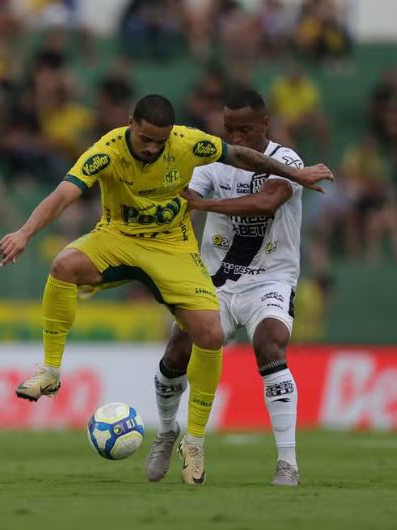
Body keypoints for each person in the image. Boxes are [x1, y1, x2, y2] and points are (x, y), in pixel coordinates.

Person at [0, 94, 333, 485]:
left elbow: (244, 162)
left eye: (161, 141)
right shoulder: (106, 150)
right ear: (130, 125)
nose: (153, 148)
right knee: (64, 265)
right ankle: (52, 372)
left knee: (213, 335)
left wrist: (297, 175)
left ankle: (197, 443)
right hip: (120, 238)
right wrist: (24, 232)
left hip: (196, 256)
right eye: (146, 140)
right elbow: (64, 194)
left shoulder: (191, 144)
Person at [144, 89, 303, 486]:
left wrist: (204, 207)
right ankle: (167, 432)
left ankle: (288, 462)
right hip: (216, 282)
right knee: (177, 351)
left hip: (270, 279)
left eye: (245, 130)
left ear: (264, 125)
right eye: (228, 129)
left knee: (270, 343)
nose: (235, 138)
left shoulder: (286, 162)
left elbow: (265, 203)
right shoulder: (214, 161)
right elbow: (188, 193)